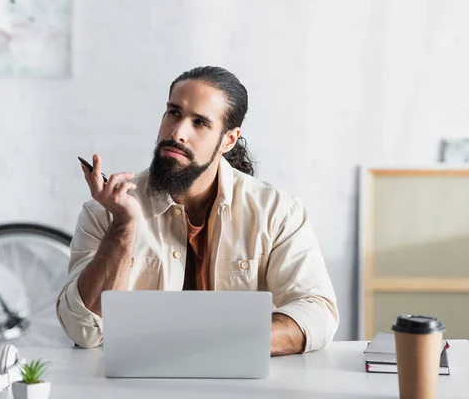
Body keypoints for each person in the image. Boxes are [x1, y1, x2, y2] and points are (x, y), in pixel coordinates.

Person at [56, 66, 339, 356]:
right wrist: (124, 227)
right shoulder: (105, 213)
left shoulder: (277, 212)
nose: (178, 132)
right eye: (173, 113)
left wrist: (217, 342)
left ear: (228, 139)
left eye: (200, 122)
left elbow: (318, 313)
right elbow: (83, 332)